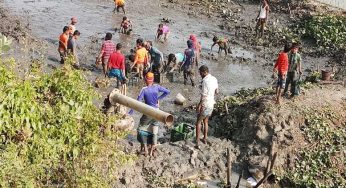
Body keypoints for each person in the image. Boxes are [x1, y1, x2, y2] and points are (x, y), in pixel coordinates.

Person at [129, 72, 170, 156]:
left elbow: (137, 102)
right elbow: (167, 92)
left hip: (148, 112)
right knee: (154, 130)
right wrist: (158, 98)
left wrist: (131, 112)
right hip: (157, 112)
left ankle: (145, 150)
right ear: (153, 80)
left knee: (141, 129)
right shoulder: (157, 87)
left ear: (145, 79)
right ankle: (151, 152)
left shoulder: (144, 89)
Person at [195, 65, 218, 148]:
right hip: (211, 104)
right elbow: (217, 91)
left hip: (205, 104)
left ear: (204, 72)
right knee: (206, 121)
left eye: (200, 73)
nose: (200, 75)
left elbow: (204, 95)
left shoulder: (204, 81)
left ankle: (197, 141)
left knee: (198, 122)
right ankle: (204, 138)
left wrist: (199, 105)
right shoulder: (214, 79)